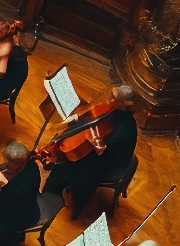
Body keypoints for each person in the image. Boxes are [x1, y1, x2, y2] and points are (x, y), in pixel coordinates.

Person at [41, 85, 139, 218]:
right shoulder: (115, 112)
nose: (110, 98)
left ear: (123, 104)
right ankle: (55, 190)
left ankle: (69, 203)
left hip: (108, 165)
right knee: (66, 160)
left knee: (63, 169)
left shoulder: (124, 130)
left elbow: (105, 157)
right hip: (105, 155)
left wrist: (95, 143)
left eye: (114, 98)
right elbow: (98, 116)